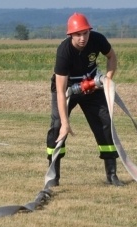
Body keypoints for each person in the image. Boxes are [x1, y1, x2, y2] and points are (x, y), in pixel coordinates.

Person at [45, 12, 122, 187]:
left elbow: (111, 56)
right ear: (70, 35)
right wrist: (65, 123)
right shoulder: (64, 52)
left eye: (85, 33)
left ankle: (112, 174)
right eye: (78, 34)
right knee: (57, 127)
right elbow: (59, 90)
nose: (82, 38)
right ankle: (53, 176)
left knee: (104, 123)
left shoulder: (98, 40)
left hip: (91, 87)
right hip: (66, 90)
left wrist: (108, 78)